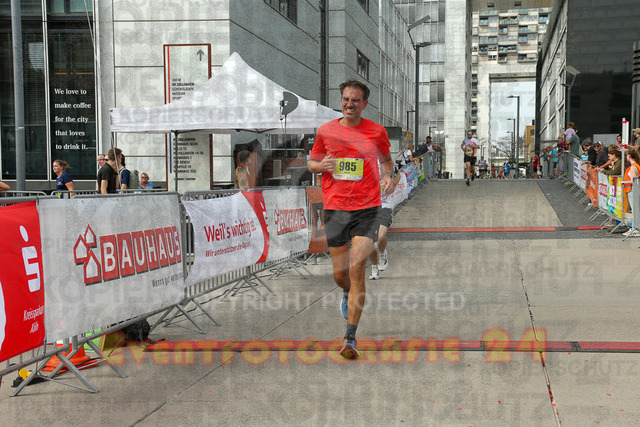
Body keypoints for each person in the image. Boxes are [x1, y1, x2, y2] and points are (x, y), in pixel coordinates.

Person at [307, 80, 395, 360]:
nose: (349, 104)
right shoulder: (326, 131)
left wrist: (388, 176)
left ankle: (350, 336)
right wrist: (321, 166)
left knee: (357, 267)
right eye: (346, 99)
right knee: (340, 275)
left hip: (368, 208)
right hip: (336, 208)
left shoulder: (376, 131)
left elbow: (387, 160)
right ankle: (347, 292)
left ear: (364, 104)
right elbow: (312, 162)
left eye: (355, 100)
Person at [368, 164, 401, 280]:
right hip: (368, 206)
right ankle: (374, 268)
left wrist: (392, 185)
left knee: (380, 237)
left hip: (384, 205)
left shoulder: (386, 161)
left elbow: (398, 175)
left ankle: (382, 254)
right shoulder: (363, 159)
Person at [622, 149, 640, 236]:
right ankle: (634, 227)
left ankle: (636, 229)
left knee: (635, 210)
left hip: (632, 190)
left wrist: (623, 182)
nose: (626, 157)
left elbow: (633, 181)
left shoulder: (633, 167)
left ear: (629, 156)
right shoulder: (635, 166)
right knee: (635, 210)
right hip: (632, 190)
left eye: (627, 155)